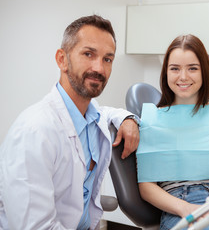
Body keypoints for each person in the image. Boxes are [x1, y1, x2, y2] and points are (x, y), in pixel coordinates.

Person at [0, 15, 140, 230]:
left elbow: (104, 112)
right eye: (88, 54)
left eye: (107, 59)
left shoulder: (92, 117)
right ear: (62, 59)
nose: (99, 68)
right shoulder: (34, 132)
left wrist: (127, 118)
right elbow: (35, 226)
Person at [136, 34, 209, 230]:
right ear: (165, 73)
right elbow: (147, 187)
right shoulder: (150, 122)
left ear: (204, 72)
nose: (183, 77)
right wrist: (185, 208)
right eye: (175, 68)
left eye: (192, 68)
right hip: (177, 207)